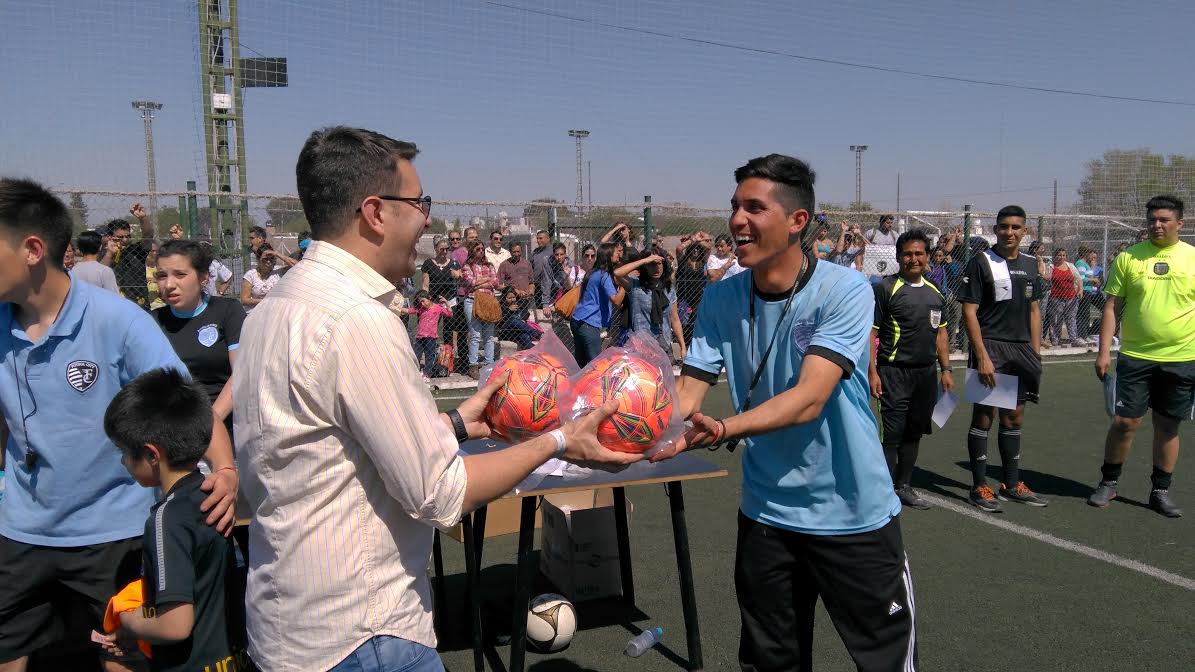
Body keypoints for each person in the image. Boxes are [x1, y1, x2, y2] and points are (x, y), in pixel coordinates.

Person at [232, 126, 639, 672]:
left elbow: (329, 450)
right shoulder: (358, 319)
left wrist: (457, 426)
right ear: (375, 213)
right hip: (365, 636)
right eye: (419, 202)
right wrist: (560, 440)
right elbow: (440, 496)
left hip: (287, 630)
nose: (426, 217)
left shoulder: (272, 308)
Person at [651, 154, 915, 671]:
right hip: (767, 517)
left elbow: (809, 398)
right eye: (734, 207)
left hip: (852, 516)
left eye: (754, 207)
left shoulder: (845, 289)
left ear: (798, 221)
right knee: (771, 664)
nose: (737, 220)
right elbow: (685, 395)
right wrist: (615, 422)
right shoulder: (721, 297)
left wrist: (724, 427)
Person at [0, 178, 237, 672]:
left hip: (114, 533)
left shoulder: (117, 320)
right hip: (21, 527)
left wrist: (226, 470)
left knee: (122, 652)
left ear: (32, 249)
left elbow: (184, 400)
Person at [99, 369, 248, 671]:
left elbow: (176, 623)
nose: (123, 462)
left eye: (125, 452)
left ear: (152, 455)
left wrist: (129, 620)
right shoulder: (211, 500)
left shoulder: (166, 518)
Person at [1090, 195, 1195, 518]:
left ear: (1180, 223)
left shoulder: (1192, 258)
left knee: (1167, 426)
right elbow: (1111, 307)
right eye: (1152, 220)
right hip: (1135, 357)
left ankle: (1160, 491)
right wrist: (1104, 351)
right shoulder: (1129, 259)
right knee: (1124, 423)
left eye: (1164, 220)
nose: (1157, 225)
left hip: (1182, 359)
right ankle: (1109, 481)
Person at [958, 205, 1047, 512]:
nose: (1009, 232)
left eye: (1016, 227)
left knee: (1014, 417)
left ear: (1025, 231)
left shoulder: (1032, 264)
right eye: (1004, 227)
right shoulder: (981, 261)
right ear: (995, 229)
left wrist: (1034, 353)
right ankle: (979, 486)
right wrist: (981, 354)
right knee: (985, 415)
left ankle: (1011, 484)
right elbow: (969, 310)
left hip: (1021, 350)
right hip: (991, 348)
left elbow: (1035, 310)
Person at [870, 230, 954, 510]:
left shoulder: (936, 292)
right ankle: (882, 491)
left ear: (928, 257)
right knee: (891, 435)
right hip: (894, 374)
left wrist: (946, 369)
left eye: (919, 254)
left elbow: (941, 334)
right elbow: (871, 334)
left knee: (914, 433)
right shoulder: (885, 288)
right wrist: (873, 372)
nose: (913, 259)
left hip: (925, 374)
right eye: (908, 254)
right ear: (898, 257)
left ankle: (903, 486)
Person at [152, 239, 244, 427]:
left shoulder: (228, 311)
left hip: (221, 425)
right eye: (162, 275)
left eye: (180, 274)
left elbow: (241, 374)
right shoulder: (151, 322)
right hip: (172, 427)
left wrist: (208, 424)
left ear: (203, 278)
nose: (169, 284)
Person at [620, 252, 686, 362]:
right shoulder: (635, 285)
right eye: (651, 264)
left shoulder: (669, 289)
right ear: (645, 266)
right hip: (640, 346)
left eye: (659, 264)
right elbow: (617, 273)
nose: (656, 268)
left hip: (663, 346)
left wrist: (683, 346)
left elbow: (675, 319)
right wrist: (644, 260)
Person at [570, 241, 626, 366]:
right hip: (589, 324)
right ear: (609, 255)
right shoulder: (604, 276)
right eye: (617, 252)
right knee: (595, 365)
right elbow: (616, 301)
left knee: (581, 365)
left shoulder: (593, 272)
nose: (619, 255)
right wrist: (625, 284)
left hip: (578, 320)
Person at [101, 203, 155, 309]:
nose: (125, 240)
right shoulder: (104, 255)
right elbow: (100, 271)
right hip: (112, 304)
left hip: (138, 303)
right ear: (110, 237)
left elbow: (148, 235)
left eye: (128, 236)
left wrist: (142, 218)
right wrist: (110, 253)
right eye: (120, 237)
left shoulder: (136, 251)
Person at [461, 240, 498, 378]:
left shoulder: (489, 265)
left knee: (489, 336)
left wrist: (479, 282)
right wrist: (486, 279)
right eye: (478, 249)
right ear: (472, 251)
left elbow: (495, 282)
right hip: (472, 300)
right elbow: (470, 283)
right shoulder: (467, 266)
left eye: (482, 249)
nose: (481, 251)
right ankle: (473, 366)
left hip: (488, 301)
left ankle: (489, 365)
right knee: (475, 335)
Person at [405, 290, 453, 381]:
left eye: (423, 301)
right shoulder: (420, 309)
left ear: (429, 298)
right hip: (420, 336)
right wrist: (396, 308)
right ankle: (415, 372)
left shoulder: (438, 308)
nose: (422, 304)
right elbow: (409, 310)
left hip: (431, 337)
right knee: (416, 355)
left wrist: (447, 303)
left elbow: (450, 314)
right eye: (420, 302)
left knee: (429, 356)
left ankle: (427, 374)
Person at [1046, 247, 1082, 347]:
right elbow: (1047, 278)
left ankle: (1074, 339)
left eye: (1063, 255)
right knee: (1056, 320)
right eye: (1059, 255)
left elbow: (1078, 279)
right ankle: (1055, 339)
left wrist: (1080, 290)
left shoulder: (1070, 266)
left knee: (1071, 319)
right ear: (1055, 256)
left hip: (1071, 297)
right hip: (1056, 298)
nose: (1061, 257)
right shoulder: (1051, 267)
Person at [497, 286, 541, 351]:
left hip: (518, 331)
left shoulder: (518, 303)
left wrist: (522, 317)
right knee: (514, 320)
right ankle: (538, 334)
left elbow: (526, 314)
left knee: (524, 335)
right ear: (504, 298)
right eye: (509, 298)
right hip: (505, 332)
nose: (512, 299)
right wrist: (508, 310)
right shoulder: (500, 306)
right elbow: (499, 322)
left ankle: (534, 351)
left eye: (513, 297)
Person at [1074, 247, 1103, 343]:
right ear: (1086, 254)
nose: (1093, 257)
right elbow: (1081, 278)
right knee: (1082, 314)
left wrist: (1094, 280)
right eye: (1091, 254)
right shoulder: (1080, 264)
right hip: (1083, 290)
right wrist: (1093, 280)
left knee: (1086, 314)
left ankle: (1085, 335)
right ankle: (1081, 335)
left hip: (1088, 291)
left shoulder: (1086, 264)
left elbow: (1089, 276)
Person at [240, 244, 282, 310]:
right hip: (254, 312)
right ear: (258, 259)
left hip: (273, 311)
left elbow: (297, 265)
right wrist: (265, 301)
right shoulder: (250, 275)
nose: (268, 261)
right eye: (265, 259)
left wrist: (277, 254)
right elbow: (244, 300)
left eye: (271, 259)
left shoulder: (277, 273)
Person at [497, 241, 535, 312]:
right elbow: (498, 285)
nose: (517, 254)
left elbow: (531, 282)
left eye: (518, 251)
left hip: (526, 300)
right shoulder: (504, 265)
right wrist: (514, 291)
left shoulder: (527, 263)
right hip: (512, 301)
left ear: (521, 251)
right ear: (510, 252)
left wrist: (531, 291)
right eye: (514, 252)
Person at [539, 242, 569, 318]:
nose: (559, 257)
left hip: (566, 294)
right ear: (553, 254)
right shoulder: (548, 262)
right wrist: (545, 304)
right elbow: (546, 282)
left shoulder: (569, 264)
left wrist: (567, 273)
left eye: (561, 254)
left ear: (565, 254)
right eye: (556, 254)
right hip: (553, 294)